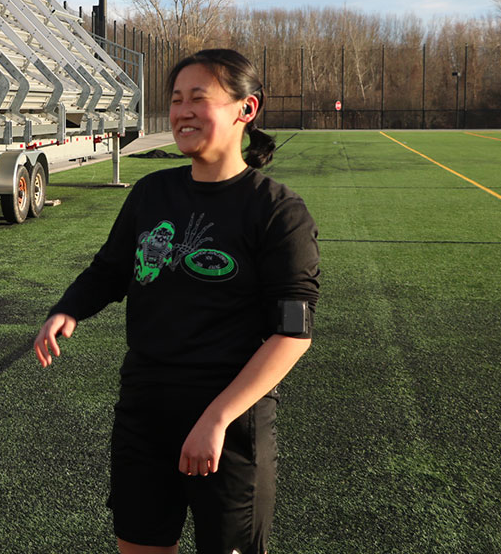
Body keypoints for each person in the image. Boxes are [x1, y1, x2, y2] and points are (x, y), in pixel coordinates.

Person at [34, 49, 319, 554]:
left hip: (231, 422)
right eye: (175, 100)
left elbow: (291, 333)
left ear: (245, 109)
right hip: (145, 411)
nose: (182, 111)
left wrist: (216, 419)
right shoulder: (151, 193)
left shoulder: (278, 211)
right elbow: (110, 270)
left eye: (199, 99)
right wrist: (68, 308)